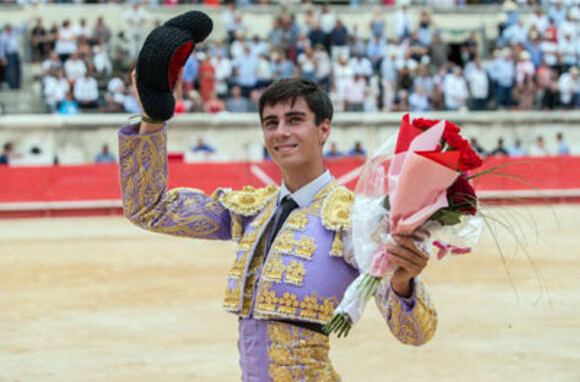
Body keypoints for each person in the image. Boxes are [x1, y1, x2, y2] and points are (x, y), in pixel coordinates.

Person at [119, 74, 436, 380]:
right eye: (271, 123)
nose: (281, 132)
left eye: (295, 120)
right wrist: (152, 119)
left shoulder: (355, 220)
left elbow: (416, 333)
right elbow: (150, 210)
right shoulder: (252, 211)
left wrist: (403, 283)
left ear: (323, 129)